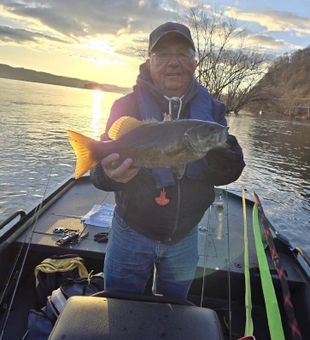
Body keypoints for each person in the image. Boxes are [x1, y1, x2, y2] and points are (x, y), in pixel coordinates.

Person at [90, 22, 245, 300]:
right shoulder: (125, 107)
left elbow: (227, 172)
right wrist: (108, 174)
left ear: (195, 63)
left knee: (175, 307)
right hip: (130, 231)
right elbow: (99, 174)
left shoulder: (213, 110)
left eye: (182, 54)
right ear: (149, 62)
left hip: (185, 236)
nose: (173, 63)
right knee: (119, 304)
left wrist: (225, 158)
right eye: (162, 55)